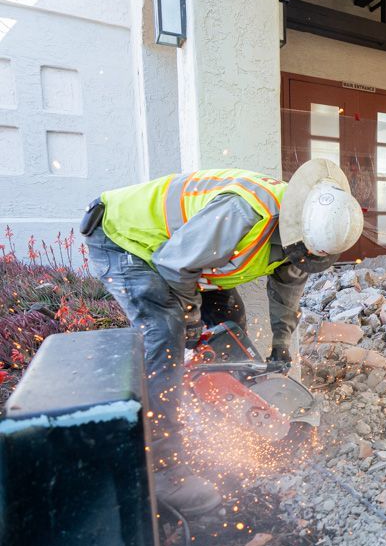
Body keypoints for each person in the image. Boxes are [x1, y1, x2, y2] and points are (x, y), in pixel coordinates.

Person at [82, 160, 363, 514]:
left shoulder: (307, 231)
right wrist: (190, 320)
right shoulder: (244, 212)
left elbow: (287, 288)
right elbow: (175, 266)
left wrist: (280, 345)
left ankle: (224, 422)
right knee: (166, 334)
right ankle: (162, 467)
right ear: (296, 227)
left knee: (230, 325)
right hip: (128, 243)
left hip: (184, 257)